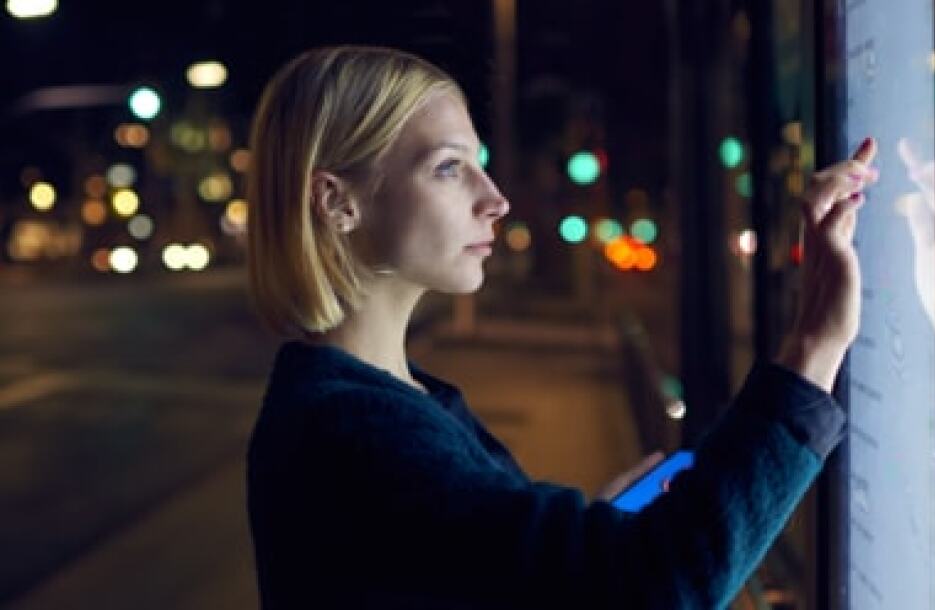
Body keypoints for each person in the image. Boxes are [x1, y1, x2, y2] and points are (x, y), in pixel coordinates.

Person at [245, 45, 878, 609]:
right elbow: (657, 581)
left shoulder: (381, 402)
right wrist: (816, 345)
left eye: (479, 163)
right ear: (336, 203)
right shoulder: (352, 430)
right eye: (447, 167)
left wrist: (584, 542)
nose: (495, 197)